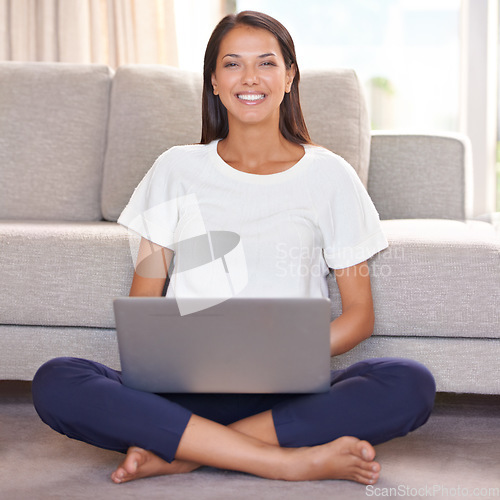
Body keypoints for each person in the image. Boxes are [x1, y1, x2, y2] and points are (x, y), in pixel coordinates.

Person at [32, 11, 435, 485]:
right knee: (58, 379)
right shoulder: (175, 169)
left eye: (266, 63)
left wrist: (288, 352)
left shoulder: (331, 176)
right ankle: (284, 460)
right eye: (232, 64)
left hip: (287, 392)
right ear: (214, 83)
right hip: (184, 389)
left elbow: (359, 314)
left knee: (409, 383)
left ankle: (185, 450)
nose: (250, 78)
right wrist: (171, 356)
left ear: (289, 78)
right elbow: (144, 299)